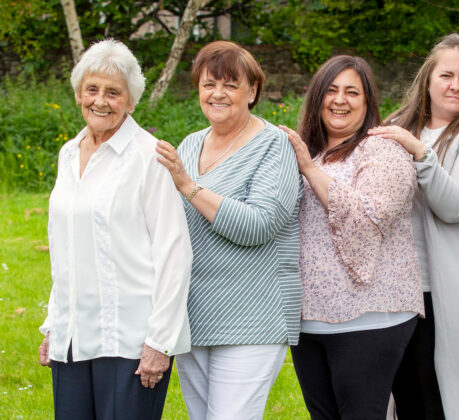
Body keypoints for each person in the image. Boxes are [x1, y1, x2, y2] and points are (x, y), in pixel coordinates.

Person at [37, 39, 193, 419]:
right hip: (74, 338)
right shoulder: (68, 153)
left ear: (131, 101)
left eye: (113, 92)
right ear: (78, 94)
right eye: (92, 89)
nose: (100, 101)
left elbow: (174, 252)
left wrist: (160, 341)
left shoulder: (150, 155)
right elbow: (66, 247)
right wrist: (54, 324)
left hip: (132, 342)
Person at [369, 33, 459, 418]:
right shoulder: (398, 125)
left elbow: (457, 205)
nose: (455, 85)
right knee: (408, 394)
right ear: (428, 79)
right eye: (446, 75)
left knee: (455, 400)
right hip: (403, 289)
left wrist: (419, 152)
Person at [155, 41, 302, 419]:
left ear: (252, 91)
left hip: (253, 316)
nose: (217, 93)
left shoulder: (273, 145)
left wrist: (189, 186)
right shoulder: (189, 145)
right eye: (208, 84)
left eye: (230, 85)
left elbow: (261, 224)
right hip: (193, 315)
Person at [278, 55, 424, 419]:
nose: (339, 100)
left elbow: (368, 218)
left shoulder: (383, 150)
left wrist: (309, 170)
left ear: (367, 101)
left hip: (370, 315)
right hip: (309, 317)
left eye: (351, 92)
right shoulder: (308, 151)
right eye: (330, 90)